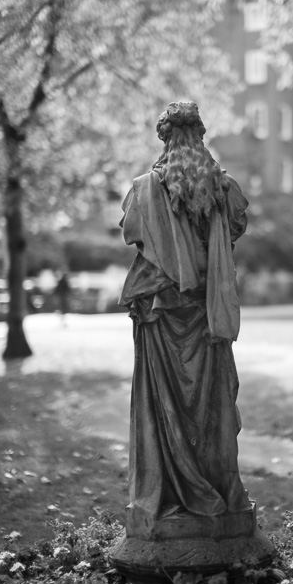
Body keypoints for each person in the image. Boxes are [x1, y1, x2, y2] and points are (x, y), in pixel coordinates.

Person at [118, 101, 252, 525]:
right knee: (210, 406)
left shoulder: (143, 190)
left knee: (163, 407)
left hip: (161, 312)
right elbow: (233, 231)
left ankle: (173, 488)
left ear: (165, 139)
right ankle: (213, 489)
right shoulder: (225, 190)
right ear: (200, 136)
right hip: (206, 314)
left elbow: (131, 231)